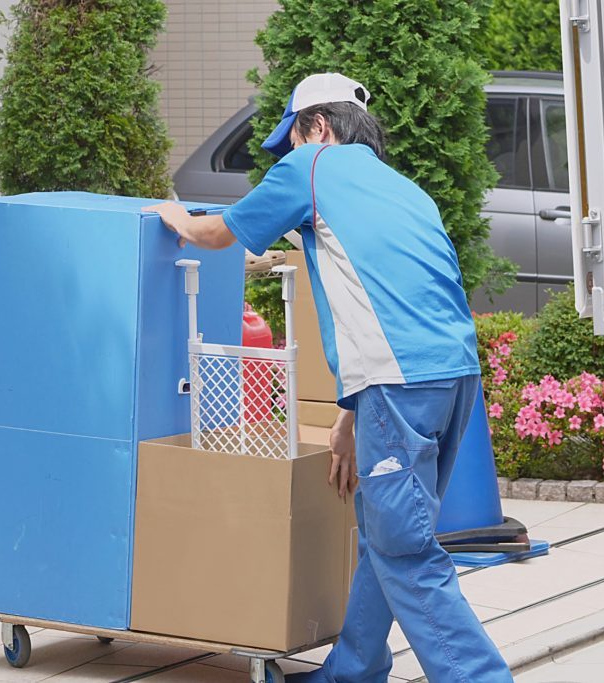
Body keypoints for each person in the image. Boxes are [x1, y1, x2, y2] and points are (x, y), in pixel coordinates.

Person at [144, 73, 513, 683]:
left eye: (289, 137)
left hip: (400, 386)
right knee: (382, 532)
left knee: (407, 551)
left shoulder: (312, 165)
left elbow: (216, 234)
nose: (286, 153)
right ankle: (351, 674)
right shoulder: (403, 189)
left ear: (318, 126)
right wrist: (350, 418)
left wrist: (173, 215)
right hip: (451, 378)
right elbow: (397, 305)